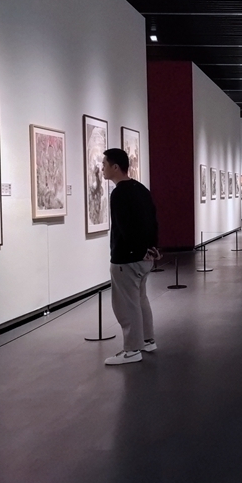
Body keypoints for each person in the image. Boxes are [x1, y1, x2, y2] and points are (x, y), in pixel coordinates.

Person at [101, 148, 160, 366]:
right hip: (144, 258)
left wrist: (137, 250)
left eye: (104, 165)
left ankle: (133, 349)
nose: (102, 169)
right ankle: (147, 340)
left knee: (126, 305)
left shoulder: (119, 194)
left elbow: (124, 227)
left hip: (126, 259)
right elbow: (153, 221)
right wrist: (151, 248)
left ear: (116, 167)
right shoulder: (141, 189)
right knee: (140, 300)